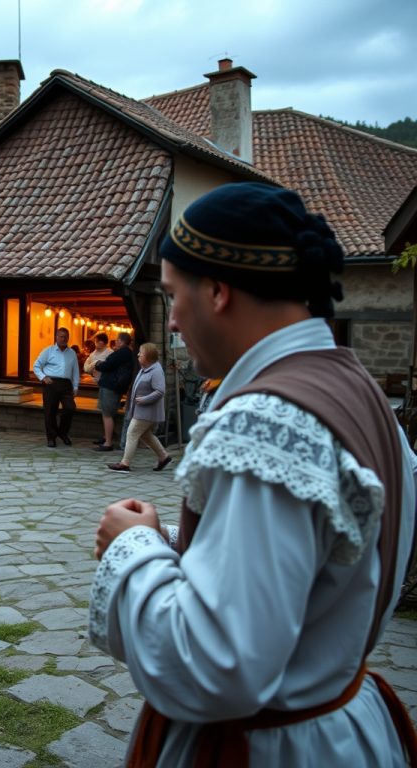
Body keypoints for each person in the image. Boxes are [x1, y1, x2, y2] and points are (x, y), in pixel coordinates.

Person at [89, 182, 417, 766]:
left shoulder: (265, 425)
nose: (170, 326)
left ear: (217, 291)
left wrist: (133, 549)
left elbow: (217, 664)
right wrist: (178, 543)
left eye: (172, 297)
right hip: (344, 724)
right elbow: (309, 573)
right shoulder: (360, 394)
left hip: (274, 748)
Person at [107, 342, 171, 473]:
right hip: (142, 410)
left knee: (132, 433)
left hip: (147, 412)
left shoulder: (156, 371)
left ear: (147, 356)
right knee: (145, 435)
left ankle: (125, 463)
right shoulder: (146, 369)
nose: (138, 355)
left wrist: (144, 400)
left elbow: (160, 391)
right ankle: (164, 457)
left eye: (140, 353)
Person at [33, 327, 80, 447]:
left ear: (68, 338)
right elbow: (36, 366)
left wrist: (75, 386)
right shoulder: (48, 351)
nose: (63, 339)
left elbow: (75, 371)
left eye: (65, 336)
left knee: (70, 408)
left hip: (66, 385)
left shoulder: (72, 353)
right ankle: (51, 437)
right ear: (56, 337)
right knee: (50, 412)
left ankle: (62, 433)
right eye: (61, 336)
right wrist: (43, 377)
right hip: (51, 384)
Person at [93, 331, 134, 451]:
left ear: (121, 341)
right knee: (108, 412)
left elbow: (107, 365)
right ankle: (107, 436)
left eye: (117, 340)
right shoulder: (126, 353)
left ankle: (108, 443)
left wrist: (98, 364)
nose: (115, 342)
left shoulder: (122, 352)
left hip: (111, 386)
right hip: (114, 386)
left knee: (107, 414)